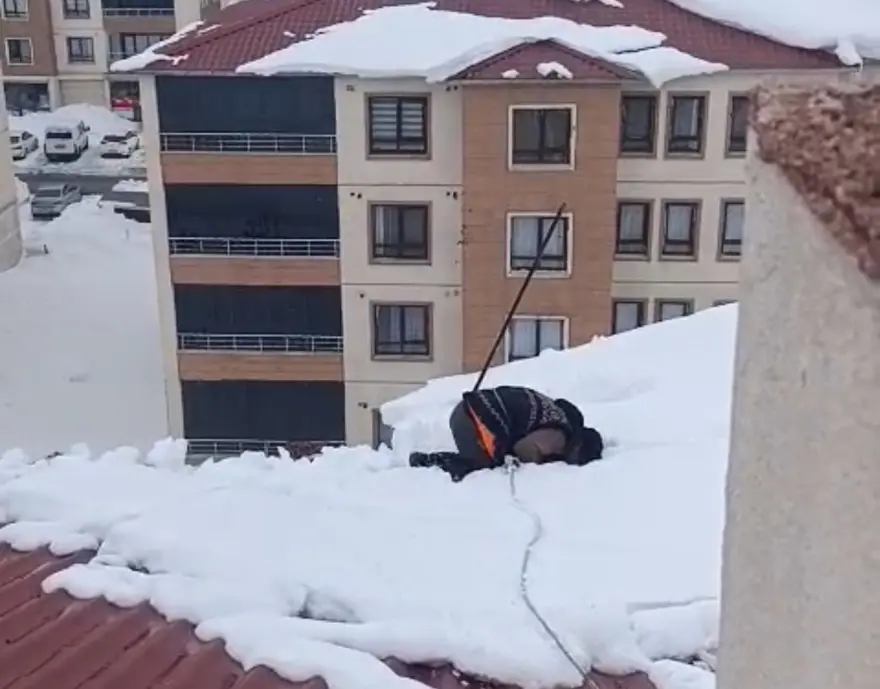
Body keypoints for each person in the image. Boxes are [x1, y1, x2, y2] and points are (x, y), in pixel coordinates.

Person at [409, 385, 604, 482]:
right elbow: (524, 449)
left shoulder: (554, 413)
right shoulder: (557, 436)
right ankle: (429, 462)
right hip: (475, 417)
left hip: (471, 408)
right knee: (485, 468)